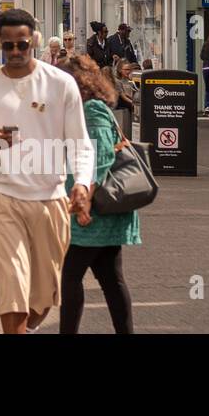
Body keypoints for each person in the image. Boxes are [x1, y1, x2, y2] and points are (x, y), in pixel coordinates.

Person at [0, 7, 92, 335]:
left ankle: (29, 326)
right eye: (9, 46)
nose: (16, 52)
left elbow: (80, 143)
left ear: (34, 40)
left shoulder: (61, 84)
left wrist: (83, 185)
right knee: (13, 282)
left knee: (44, 296)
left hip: (51, 198)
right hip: (2, 197)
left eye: (23, 44)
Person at [57, 55, 140, 335]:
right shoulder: (88, 108)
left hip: (95, 211)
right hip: (102, 211)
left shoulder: (91, 110)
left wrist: (85, 202)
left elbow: (101, 157)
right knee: (111, 280)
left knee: (70, 277)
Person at [111, 58, 137, 137]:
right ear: (120, 70)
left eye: (129, 69)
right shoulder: (117, 82)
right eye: (125, 69)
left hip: (130, 109)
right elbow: (124, 96)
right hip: (121, 110)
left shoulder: (131, 81)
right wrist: (133, 103)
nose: (128, 71)